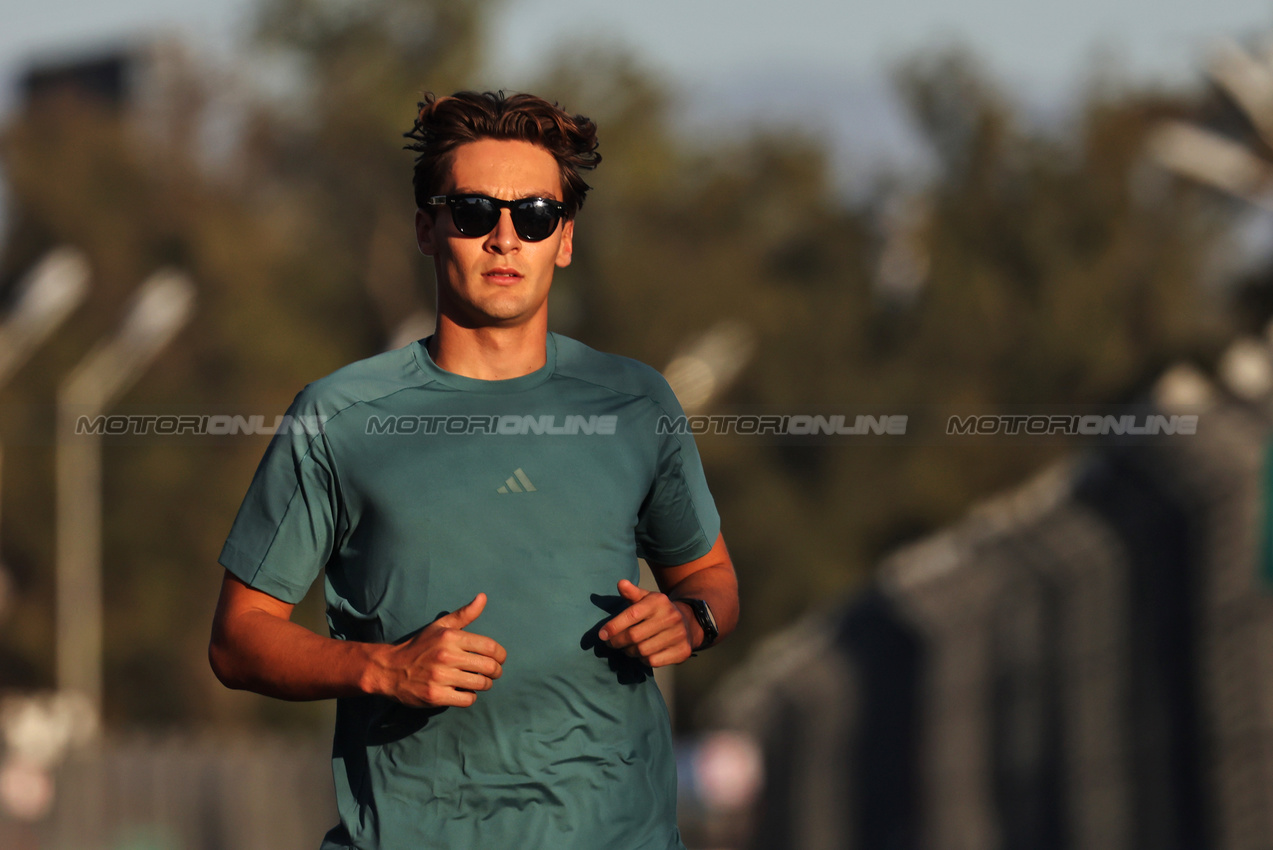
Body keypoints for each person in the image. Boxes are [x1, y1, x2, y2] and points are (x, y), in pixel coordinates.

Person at [208, 90, 738, 850]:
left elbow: (711, 578)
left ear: (564, 239)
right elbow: (237, 639)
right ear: (427, 229)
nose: (504, 238)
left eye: (534, 216)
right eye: (473, 212)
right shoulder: (338, 416)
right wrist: (383, 668)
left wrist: (691, 619)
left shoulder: (634, 402)